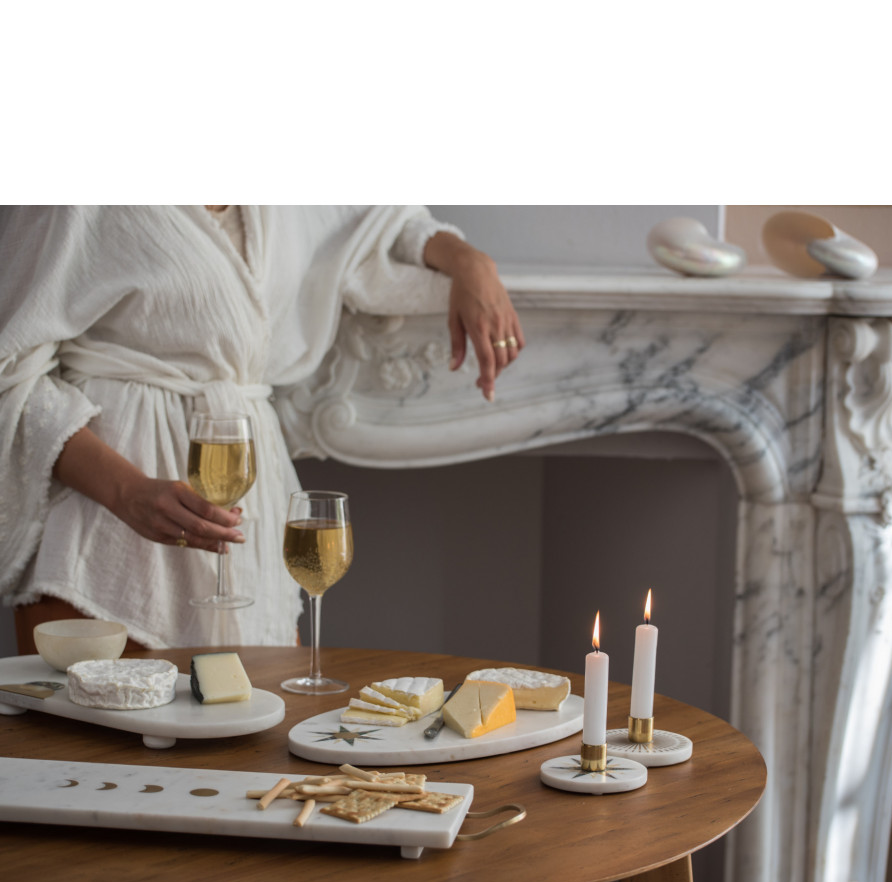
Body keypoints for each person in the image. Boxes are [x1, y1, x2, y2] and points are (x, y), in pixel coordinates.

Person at [0, 205, 525, 652]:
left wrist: (470, 263)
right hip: (103, 523)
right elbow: (8, 363)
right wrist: (127, 491)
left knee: (248, 755)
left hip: (251, 502)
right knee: (100, 762)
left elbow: (381, 218)